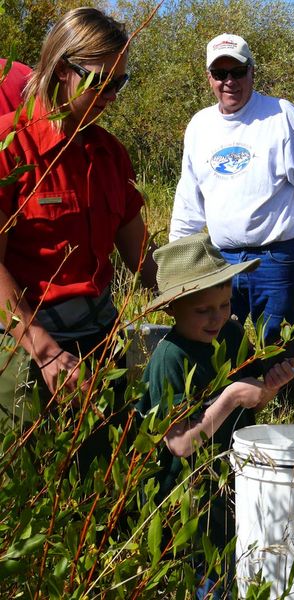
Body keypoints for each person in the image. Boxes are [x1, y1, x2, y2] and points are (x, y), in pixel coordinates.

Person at [0, 8, 157, 469]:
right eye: (101, 81)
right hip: (27, 351)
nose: (111, 96)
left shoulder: (110, 154)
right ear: (63, 70)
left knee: (103, 481)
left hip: (99, 345)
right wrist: (44, 351)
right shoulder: (12, 147)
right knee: (29, 496)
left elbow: (142, 260)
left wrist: (203, 295)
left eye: (119, 84)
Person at [170, 33, 294, 408]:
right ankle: (226, 422)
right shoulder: (199, 126)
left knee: (277, 348)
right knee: (214, 344)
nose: (229, 81)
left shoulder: (281, 116)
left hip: (277, 260)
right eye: (220, 72)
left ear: (252, 72)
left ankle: (285, 425)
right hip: (220, 262)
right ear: (209, 77)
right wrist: (176, 270)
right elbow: (188, 202)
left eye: (238, 71)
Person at [136, 232, 294, 597]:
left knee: (234, 569)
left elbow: (249, 403)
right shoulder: (170, 358)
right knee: (200, 580)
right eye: (203, 309)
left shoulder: (233, 334)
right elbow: (179, 443)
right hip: (182, 503)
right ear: (171, 308)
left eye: (224, 304)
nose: (217, 317)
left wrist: (267, 389)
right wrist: (233, 395)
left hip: (229, 488)